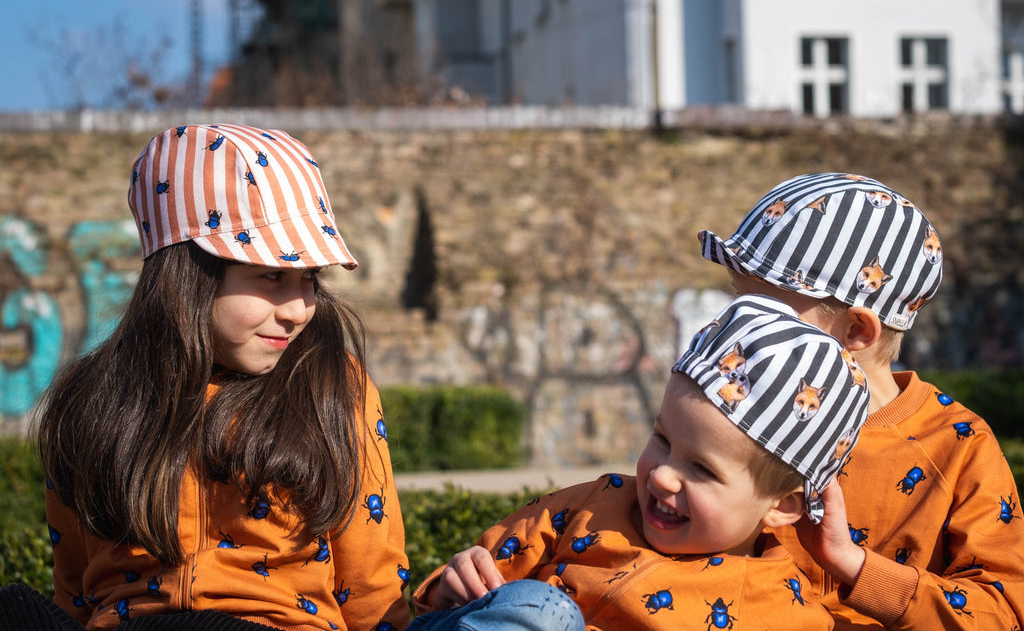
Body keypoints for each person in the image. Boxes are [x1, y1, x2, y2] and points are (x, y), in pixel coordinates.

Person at [32, 124, 410, 630]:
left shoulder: (332, 387)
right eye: (272, 276)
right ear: (188, 275)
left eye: (309, 280)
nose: (298, 309)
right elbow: (74, 588)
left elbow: (370, 578)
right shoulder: (90, 400)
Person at [409, 294, 872, 630]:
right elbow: (461, 596)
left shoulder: (780, 609)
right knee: (541, 610)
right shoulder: (588, 506)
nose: (664, 473)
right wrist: (450, 591)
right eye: (662, 438)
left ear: (784, 506)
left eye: (703, 469)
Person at [698, 171, 1024, 628]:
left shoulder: (957, 446)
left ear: (856, 331)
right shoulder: (728, 411)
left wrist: (851, 562)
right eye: (739, 301)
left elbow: (1004, 610)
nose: (742, 324)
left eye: (769, 311)